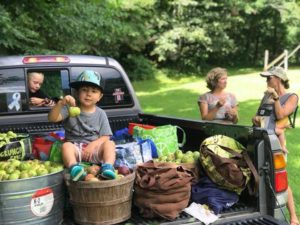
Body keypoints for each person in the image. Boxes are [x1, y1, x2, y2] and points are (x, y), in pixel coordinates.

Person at [48, 70, 116, 181]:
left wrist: (93, 145)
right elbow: (52, 118)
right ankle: (74, 168)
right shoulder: (69, 109)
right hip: (75, 149)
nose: (89, 94)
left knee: (110, 144)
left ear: (100, 96)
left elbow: (106, 136)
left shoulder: (100, 113)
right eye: (84, 90)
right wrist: (60, 104)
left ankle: (107, 167)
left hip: (94, 150)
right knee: (66, 146)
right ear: (76, 93)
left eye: (94, 91)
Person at [252, 66, 299, 225]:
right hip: (260, 139)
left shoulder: (292, 97)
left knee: (281, 182)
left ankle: (293, 217)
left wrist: (276, 98)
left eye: (268, 78)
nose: (266, 81)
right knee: (260, 176)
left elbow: (281, 115)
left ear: (278, 79)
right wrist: (256, 120)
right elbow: (258, 116)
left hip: (276, 143)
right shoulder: (266, 95)